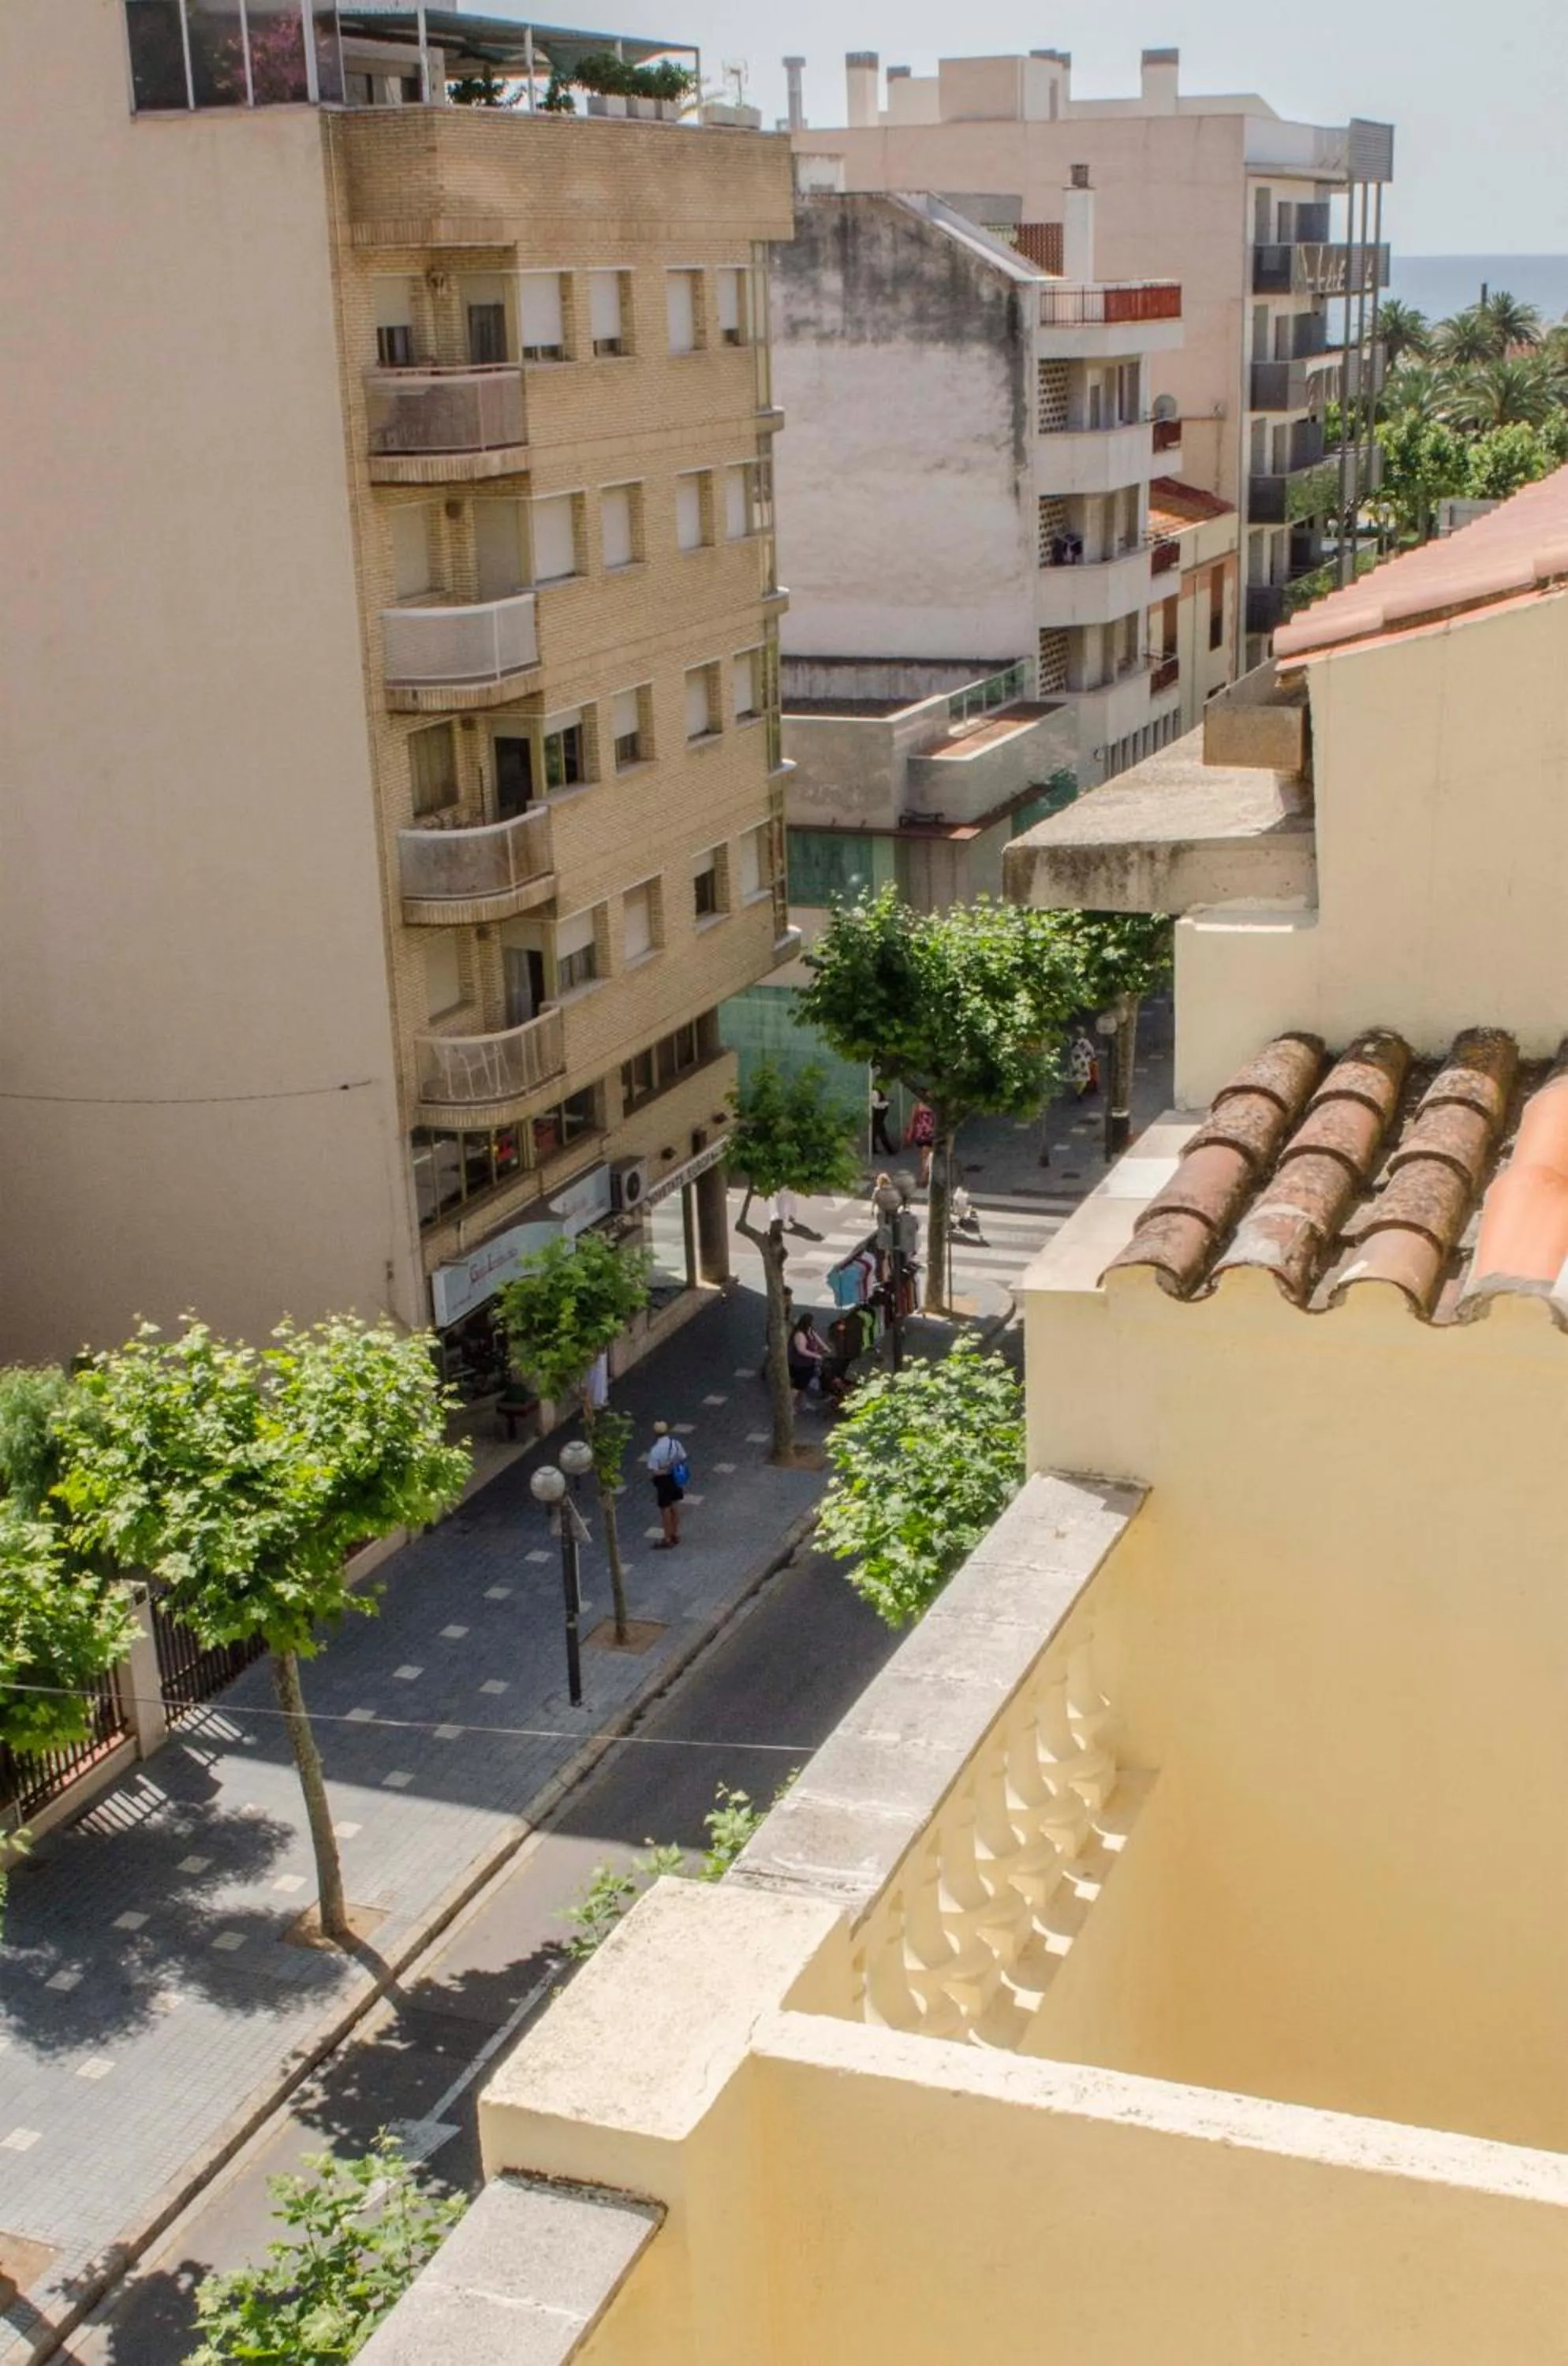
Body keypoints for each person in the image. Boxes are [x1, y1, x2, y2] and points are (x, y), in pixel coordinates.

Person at [646, 1420, 687, 1549]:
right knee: (675, 1505)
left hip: (664, 1481)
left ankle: (667, 1537)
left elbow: (654, 1471)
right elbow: (683, 1457)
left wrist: (658, 1474)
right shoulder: (675, 1443)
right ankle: (675, 1533)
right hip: (675, 1477)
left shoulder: (655, 1450)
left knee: (665, 1509)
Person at [787, 1311, 843, 1405]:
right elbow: (802, 1350)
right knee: (798, 1386)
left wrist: (825, 1348)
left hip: (809, 1363)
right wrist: (816, 1355)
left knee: (804, 1384)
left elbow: (817, 1338)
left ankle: (800, 1402)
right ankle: (789, 1405)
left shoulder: (809, 1330)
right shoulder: (800, 1335)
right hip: (800, 1364)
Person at [908, 1100, 936, 1188]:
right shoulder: (917, 1105)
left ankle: (924, 1178)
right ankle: (925, 1176)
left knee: (926, 1155)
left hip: (930, 1133)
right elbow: (913, 1119)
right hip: (921, 1133)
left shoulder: (935, 1105)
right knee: (924, 1156)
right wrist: (910, 1132)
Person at [870, 1081, 897, 1158]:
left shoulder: (877, 1092)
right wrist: (886, 1103)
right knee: (881, 1132)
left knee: (876, 1132)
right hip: (878, 1115)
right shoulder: (875, 1092)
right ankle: (889, 1150)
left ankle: (874, 1149)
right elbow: (876, 1105)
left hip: (880, 1115)